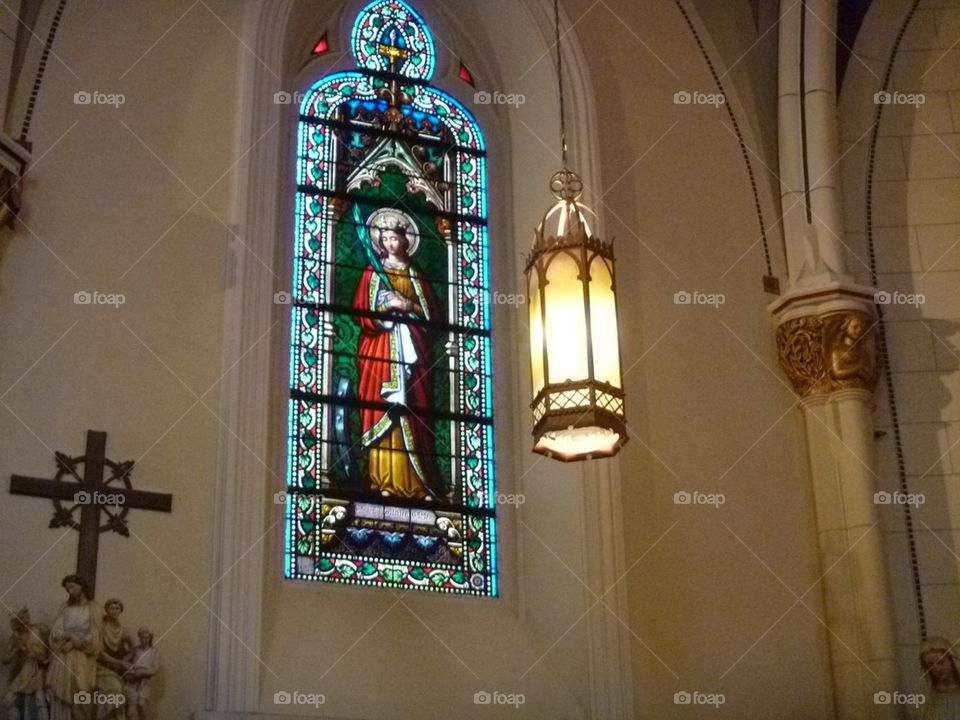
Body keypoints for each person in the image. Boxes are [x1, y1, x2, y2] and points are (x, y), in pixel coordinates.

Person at [352, 211, 439, 500]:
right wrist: (383, 310)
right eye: (385, 238)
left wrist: (407, 305)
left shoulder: (417, 276)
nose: (390, 243)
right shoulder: (372, 272)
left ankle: (418, 483)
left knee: (414, 411)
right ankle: (382, 482)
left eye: (395, 238)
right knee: (385, 412)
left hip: (413, 354)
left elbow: (432, 318)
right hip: (381, 351)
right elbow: (362, 314)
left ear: (405, 240)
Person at [47, 575, 100, 720]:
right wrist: (68, 635)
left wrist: (75, 642)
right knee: (58, 693)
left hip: (81, 657)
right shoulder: (65, 608)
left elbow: (95, 636)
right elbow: (55, 631)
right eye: (67, 589)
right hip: (63, 656)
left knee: (81, 691)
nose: (69, 591)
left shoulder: (93, 608)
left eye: (72, 587)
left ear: (81, 586)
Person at [1, 607, 50, 720]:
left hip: (38, 670)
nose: (26, 617)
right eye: (22, 615)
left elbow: (48, 649)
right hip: (23, 672)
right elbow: (5, 659)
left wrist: (41, 658)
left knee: (39, 699)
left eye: (26, 613)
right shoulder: (16, 637)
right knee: (12, 699)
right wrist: (16, 650)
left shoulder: (39, 629)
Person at [95, 600, 131, 720]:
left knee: (126, 690)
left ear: (121, 611)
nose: (114, 611)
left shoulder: (123, 630)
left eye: (117, 608)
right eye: (112, 608)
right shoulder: (101, 627)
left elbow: (127, 653)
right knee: (115, 688)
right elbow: (100, 653)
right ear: (107, 610)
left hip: (117, 669)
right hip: (99, 667)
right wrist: (120, 663)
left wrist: (127, 652)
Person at [919, 636, 960, 719]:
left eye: (941, 662)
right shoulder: (926, 697)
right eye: (930, 665)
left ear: (952, 661)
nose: (937, 669)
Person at [122, 629, 158, 720]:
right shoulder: (135, 650)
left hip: (144, 683)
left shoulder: (154, 652)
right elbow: (123, 662)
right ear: (139, 637)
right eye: (142, 637)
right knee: (131, 710)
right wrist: (131, 670)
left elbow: (154, 670)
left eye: (147, 638)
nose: (144, 640)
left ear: (150, 638)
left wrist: (142, 672)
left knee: (142, 706)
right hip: (133, 682)